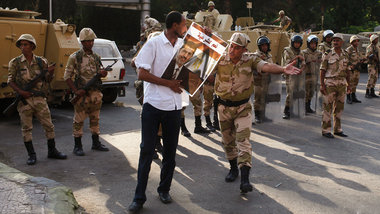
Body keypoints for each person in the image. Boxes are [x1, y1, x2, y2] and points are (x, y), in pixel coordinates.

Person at [213, 32, 301, 193]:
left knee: (243, 140)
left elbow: (266, 66)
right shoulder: (219, 57)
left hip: (243, 108)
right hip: (223, 107)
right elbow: (201, 69)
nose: (232, 50)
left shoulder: (251, 59)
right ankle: (233, 168)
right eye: (231, 45)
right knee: (227, 141)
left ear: (244, 49)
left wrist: (282, 69)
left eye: (237, 48)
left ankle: (245, 180)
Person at [128, 11, 188, 213]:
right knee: (146, 151)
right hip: (153, 106)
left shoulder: (182, 45)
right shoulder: (153, 43)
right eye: (183, 25)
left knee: (170, 153)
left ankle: (164, 190)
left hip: (174, 108)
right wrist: (168, 83)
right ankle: (139, 197)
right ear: (173, 26)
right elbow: (141, 72)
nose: (185, 28)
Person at [7, 34, 67, 165]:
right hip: (24, 100)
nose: (23, 47)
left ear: (32, 46)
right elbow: (10, 81)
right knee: (26, 128)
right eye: (21, 45)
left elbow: (48, 80)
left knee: (48, 125)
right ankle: (31, 155)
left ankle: (52, 151)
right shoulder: (15, 62)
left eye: (26, 44)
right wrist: (22, 92)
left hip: (39, 98)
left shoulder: (41, 62)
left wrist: (50, 72)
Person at [64, 28, 109, 156]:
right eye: (87, 41)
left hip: (95, 95)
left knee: (95, 119)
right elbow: (66, 77)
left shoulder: (96, 57)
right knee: (78, 121)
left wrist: (103, 73)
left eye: (91, 41)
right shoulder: (75, 57)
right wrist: (76, 91)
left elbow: (100, 74)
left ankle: (96, 143)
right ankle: (77, 146)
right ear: (82, 42)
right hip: (82, 96)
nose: (90, 43)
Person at [320, 33, 350, 138]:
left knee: (339, 108)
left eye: (337, 40)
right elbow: (322, 70)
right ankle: (326, 130)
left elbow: (348, 71)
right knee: (327, 107)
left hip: (342, 83)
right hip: (330, 83)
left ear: (342, 42)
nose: (335, 42)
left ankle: (337, 129)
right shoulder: (327, 53)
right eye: (334, 40)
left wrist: (349, 85)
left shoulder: (345, 54)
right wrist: (322, 85)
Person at [282, 35, 305, 119]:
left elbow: (303, 63)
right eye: (295, 43)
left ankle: (293, 109)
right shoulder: (287, 51)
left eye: (298, 43)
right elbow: (288, 62)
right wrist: (297, 58)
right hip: (290, 74)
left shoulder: (301, 52)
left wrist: (302, 69)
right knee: (290, 93)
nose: (297, 45)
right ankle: (286, 110)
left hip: (298, 74)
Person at [253, 36, 273, 123]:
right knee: (258, 98)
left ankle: (263, 115)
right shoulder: (256, 56)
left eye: (266, 45)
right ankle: (257, 115)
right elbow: (254, 67)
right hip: (258, 80)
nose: (264, 47)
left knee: (265, 98)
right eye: (262, 46)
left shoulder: (269, 56)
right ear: (259, 46)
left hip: (266, 80)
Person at [302, 35, 322, 113]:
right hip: (306, 75)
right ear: (308, 44)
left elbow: (321, 62)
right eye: (311, 44)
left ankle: (308, 106)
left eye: (314, 44)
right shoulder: (304, 52)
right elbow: (303, 62)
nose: (313, 45)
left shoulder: (319, 53)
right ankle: (304, 107)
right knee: (306, 92)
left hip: (315, 75)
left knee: (312, 92)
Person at [346, 35, 364, 103]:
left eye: (357, 41)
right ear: (351, 42)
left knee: (355, 83)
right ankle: (348, 97)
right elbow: (345, 59)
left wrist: (362, 60)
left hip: (357, 69)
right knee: (349, 84)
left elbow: (358, 58)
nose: (356, 43)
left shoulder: (357, 50)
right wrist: (350, 66)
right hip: (351, 70)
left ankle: (353, 97)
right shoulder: (349, 50)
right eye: (355, 41)